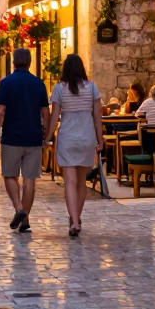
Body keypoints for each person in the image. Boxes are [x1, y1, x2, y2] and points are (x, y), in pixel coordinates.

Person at [0, 48, 50, 234]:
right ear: (30, 62)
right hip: (33, 137)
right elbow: (45, 113)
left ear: (13, 62)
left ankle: (19, 209)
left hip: (11, 137)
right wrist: (46, 135)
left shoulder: (6, 83)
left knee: (9, 175)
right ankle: (25, 220)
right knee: (30, 179)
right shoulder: (39, 83)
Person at [43, 54, 102, 237]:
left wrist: (48, 137)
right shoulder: (92, 88)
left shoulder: (59, 89)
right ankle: (77, 217)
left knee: (70, 181)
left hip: (67, 138)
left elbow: (54, 117)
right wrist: (100, 140)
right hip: (87, 137)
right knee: (81, 182)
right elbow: (97, 117)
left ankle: (74, 220)